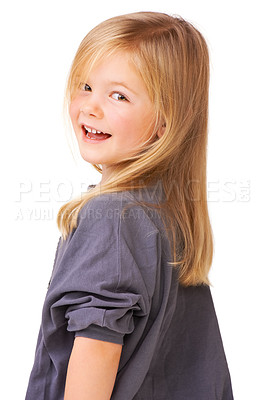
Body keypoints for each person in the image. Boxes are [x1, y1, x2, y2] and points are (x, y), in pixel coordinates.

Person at [25, 11, 234, 400]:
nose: (91, 107)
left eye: (118, 95)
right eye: (85, 86)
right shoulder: (168, 215)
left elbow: (97, 353)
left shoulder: (112, 219)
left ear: (164, 123)